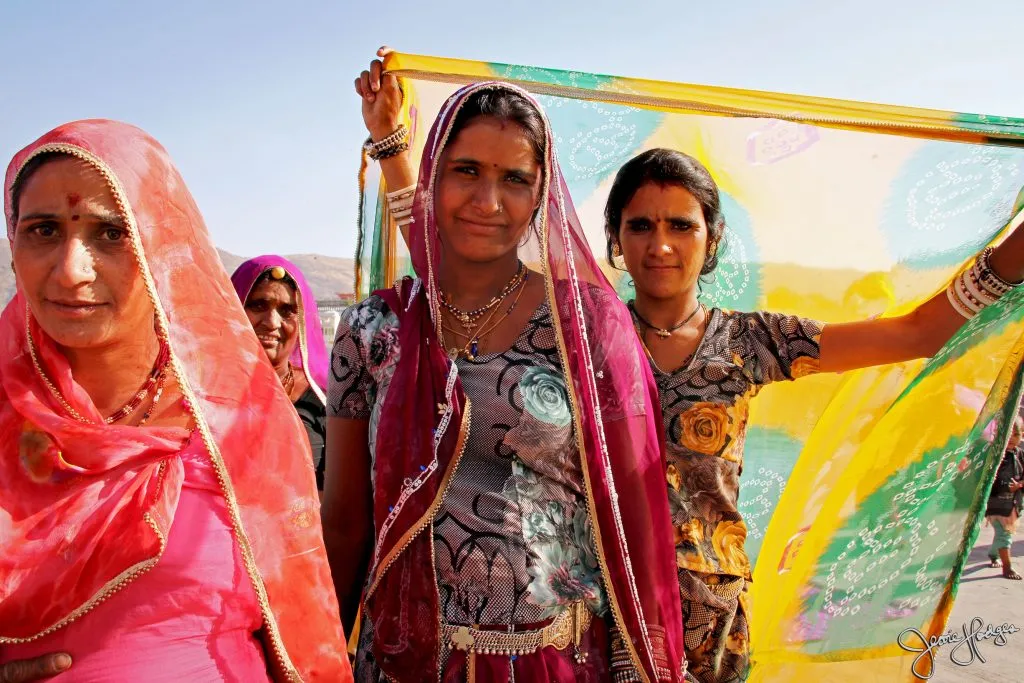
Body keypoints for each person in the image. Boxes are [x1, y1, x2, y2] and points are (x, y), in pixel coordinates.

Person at [602, 148, 1024, 682]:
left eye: (682, 225)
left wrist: (1011, 257)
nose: (660, 244)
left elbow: (918, 334)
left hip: (707, 619)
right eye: (640, 225)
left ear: (712, 238)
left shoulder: (750, 341)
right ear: (616, 237)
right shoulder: (581, 338)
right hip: (601, 606)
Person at [326, 70, 685, 681]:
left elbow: (638, 521)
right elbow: (345, 518)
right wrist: (315, 655)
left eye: (515, 179)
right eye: (466, 171)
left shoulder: (588, 328)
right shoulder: (374, 330)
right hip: (399, 664)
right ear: (434, 177)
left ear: (541, 194)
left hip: (553, 662)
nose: (488, 202)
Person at [0, 121, 351, 682]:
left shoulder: (244, 424)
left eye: (112, 234)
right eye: (43, 230)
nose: (71, 270)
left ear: (161, 242)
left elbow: (303, 638)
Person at [232, 256, 329, 490]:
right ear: (232, 309)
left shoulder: (323, 401)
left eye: (287, 310)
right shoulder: (200, 396)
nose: (272, 322)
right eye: (258, 305)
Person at [986, 415, 1024, 580]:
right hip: (995, 504)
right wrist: (1005, 486)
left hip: (1013, 504)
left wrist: (1021, 483)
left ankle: (993, 554)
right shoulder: (995, 455)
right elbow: (989, 480)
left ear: (1022, 435)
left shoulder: (1020, 454)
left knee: (1002, 534)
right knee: (1004, 534)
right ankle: (1007, 568)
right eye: (1008, 435)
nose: (1011, 439)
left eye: (1016, 435)